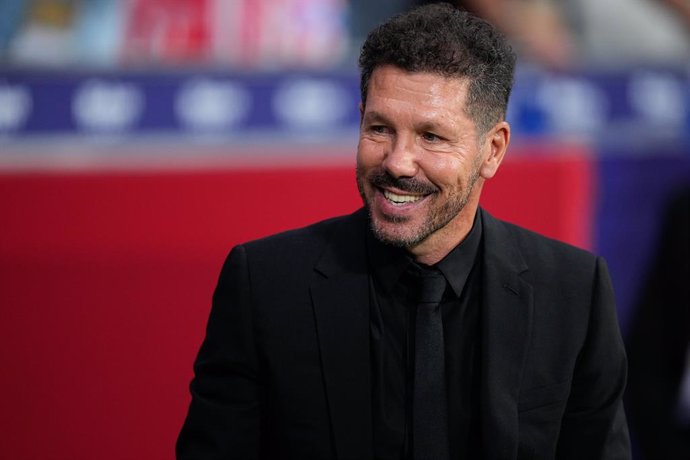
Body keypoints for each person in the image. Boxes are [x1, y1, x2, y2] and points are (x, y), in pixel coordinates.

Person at [177, 3, 631, 459]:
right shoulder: (266, 285)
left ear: (492, 150)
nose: (397, 162)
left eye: (431, 137)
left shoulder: (574, 292)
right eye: (380, 129)